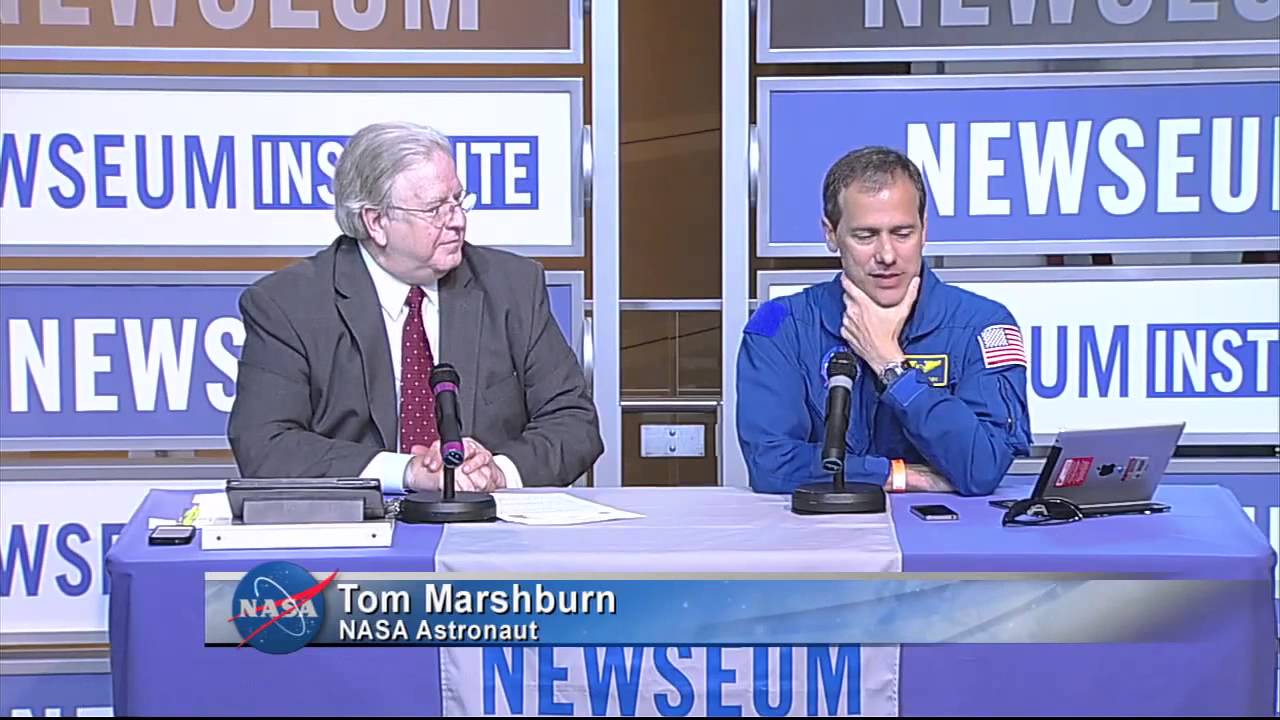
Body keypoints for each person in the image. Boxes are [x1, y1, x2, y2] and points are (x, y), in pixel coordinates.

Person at [228, 121, 603, 493]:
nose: (457, 220)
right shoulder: (287, 305)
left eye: (458, 200)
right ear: (376, 221)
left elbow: (574, 422)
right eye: (436, 209)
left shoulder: (512, 287)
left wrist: (498, 472)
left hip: (489, 532)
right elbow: (265, 444)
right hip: (358, 536)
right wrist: (406, 471)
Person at [736, 146, 1031, 497]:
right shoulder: (779, 326)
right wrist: (896, 475)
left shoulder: (983, 324)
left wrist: (891, 366)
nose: (887, 255)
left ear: (925, 229)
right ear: (830, 234)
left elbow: (983, 467)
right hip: (819, 542)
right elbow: (771, 466)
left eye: (902, 233)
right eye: (866, 235)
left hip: (943, 545)